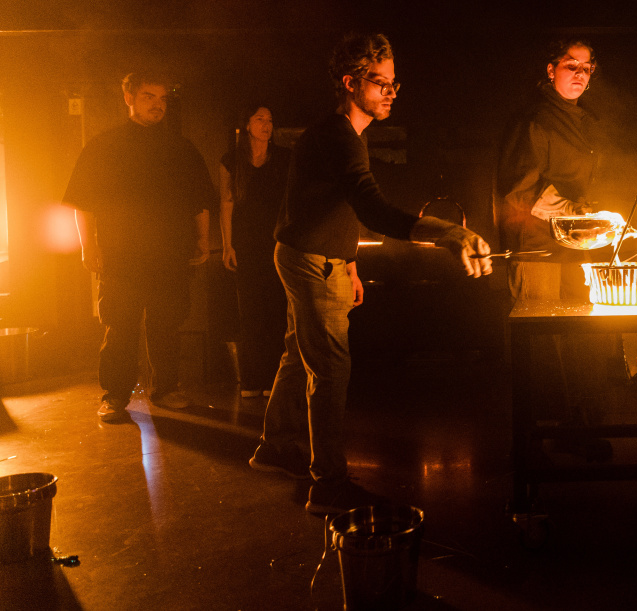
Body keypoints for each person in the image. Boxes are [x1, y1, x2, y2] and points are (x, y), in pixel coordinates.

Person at [248, 32, 492, 515]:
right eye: (380, 82)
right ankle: (328, 485)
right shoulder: (336, 135)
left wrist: (350, 263)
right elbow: (373, 209)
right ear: (350, 82)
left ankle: (274, 445)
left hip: (322, 258)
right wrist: (446, 232)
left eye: (393, 82)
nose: (390, 92)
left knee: (300, 354)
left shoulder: (345, 135)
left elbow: (330, 207)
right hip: (308, 261)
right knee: (331, 368)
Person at [64, 71, 214, 422]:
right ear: (129, 98)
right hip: (122, 253)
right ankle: (115, 395)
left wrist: (203, 239)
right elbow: (83, 203)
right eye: (148, 96)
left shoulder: (181, 148)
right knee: (120, 326)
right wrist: (89, 247)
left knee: (167, 324)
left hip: (170, 253)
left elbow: (199, 201)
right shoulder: (105, 146)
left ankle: (166, 389)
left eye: (162, 99)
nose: (157, 105)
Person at [496, 37, 617, 462]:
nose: (581, 75)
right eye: (571, 65)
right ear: (550, 70)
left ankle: (579, 426)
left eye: (587, 67)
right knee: (542, 342)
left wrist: (591, 216)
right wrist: (574, 211)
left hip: (578, 249)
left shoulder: (585, 121)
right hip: (538, 251)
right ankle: (532, 437)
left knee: (582, 337)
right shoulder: (535, 120)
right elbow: (518, 191)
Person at [219, 105, 290, 399]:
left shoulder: (284, 158)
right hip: (246, 243)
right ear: (246, 124)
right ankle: (251, 379)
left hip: (276, 242)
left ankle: (275, 378)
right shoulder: (232, 160)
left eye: (270, 120)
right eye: (260, 119)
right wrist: (227, 244)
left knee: (277, 309)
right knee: (249, 311)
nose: (266, 125)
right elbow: (226, 202)